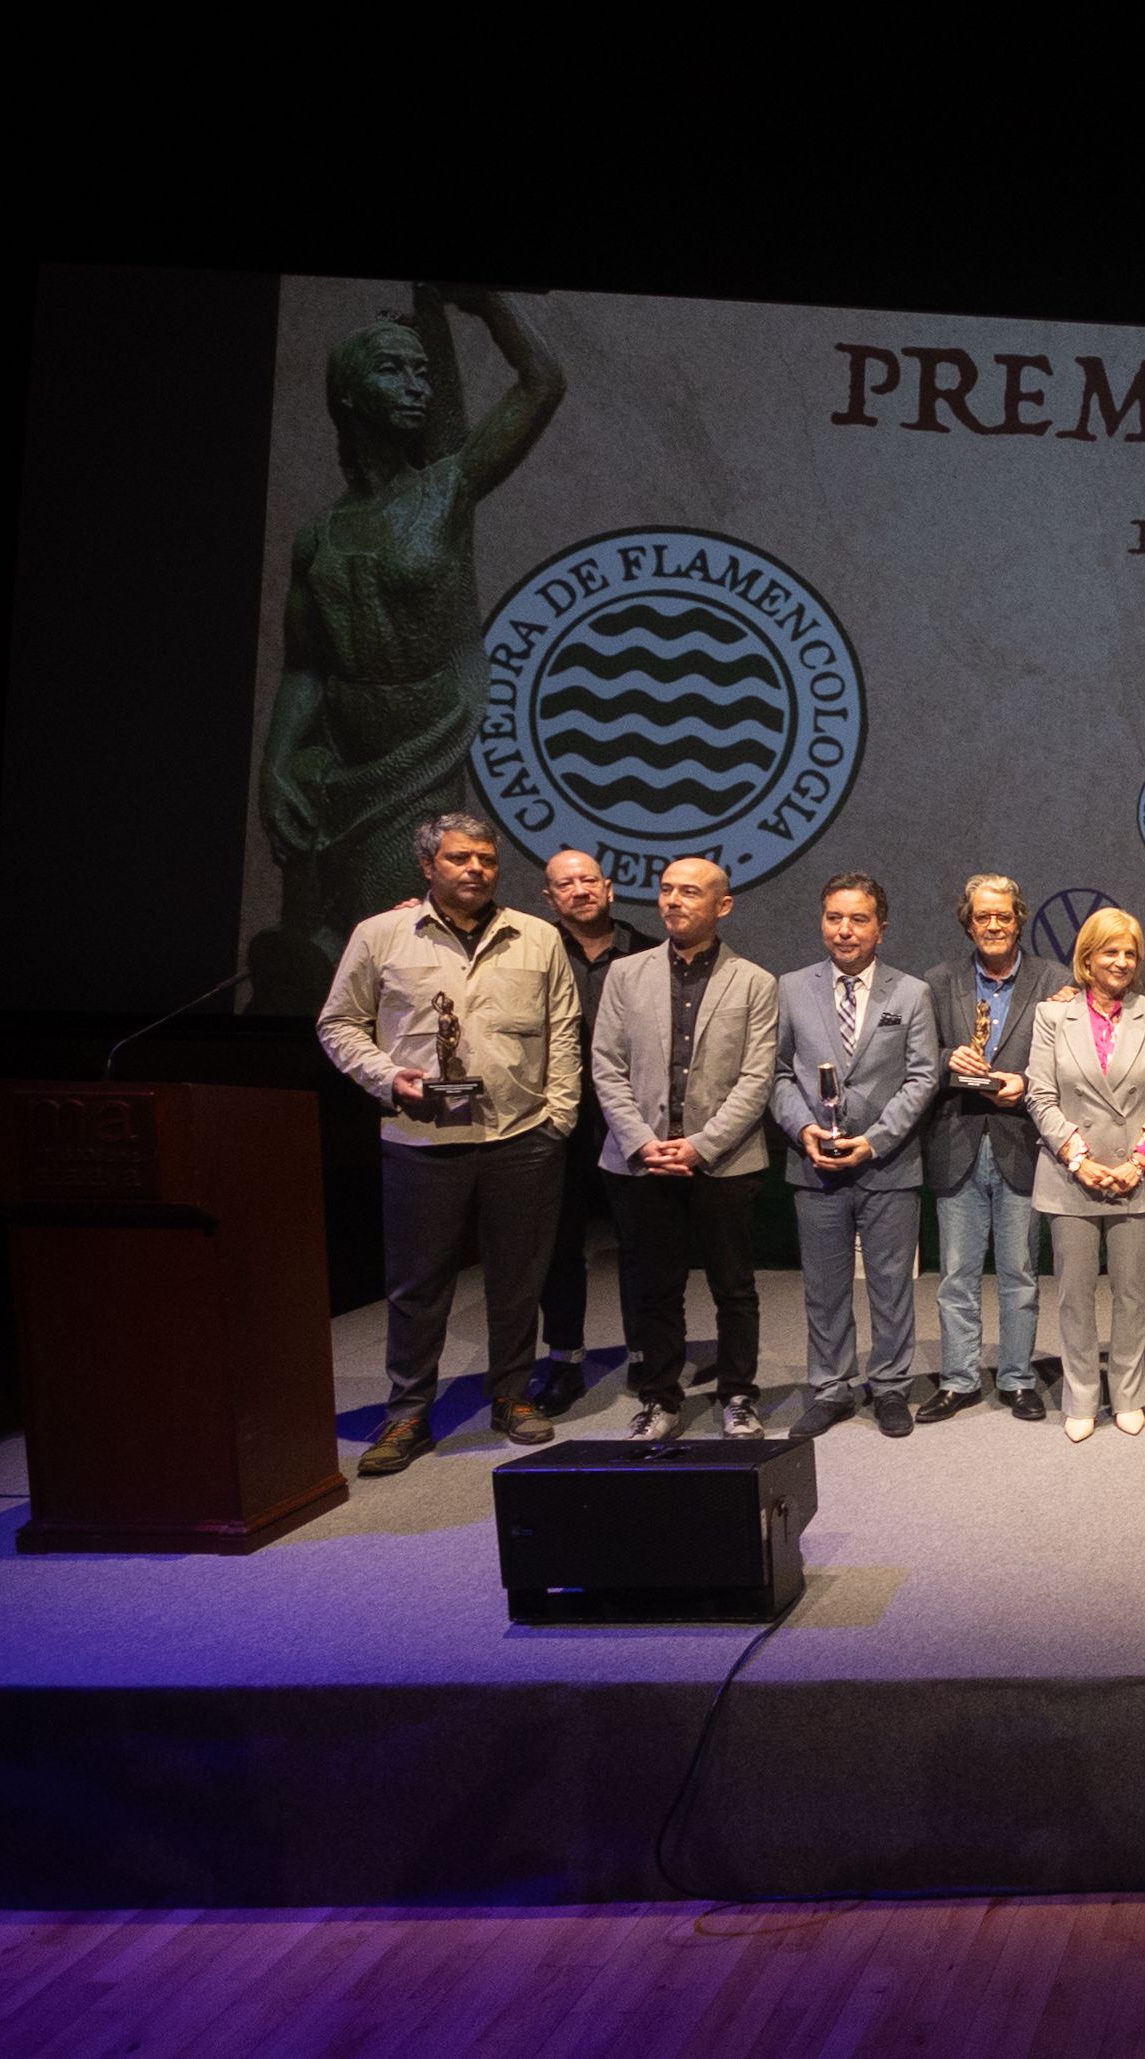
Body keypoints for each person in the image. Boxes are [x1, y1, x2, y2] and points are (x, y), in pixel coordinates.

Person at [251, 290, 563, 1015]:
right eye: (395, 372)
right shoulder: (321, 533)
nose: (417, 387)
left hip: (416, 747)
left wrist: (488, 303)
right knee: (309, 943)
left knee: (394, 933)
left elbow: (542, 383)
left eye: (424, 373)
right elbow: (305, 665)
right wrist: (274, 765)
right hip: (331, 757)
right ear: (350, 393)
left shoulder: (446, 488)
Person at [317, 811, 581, 1475]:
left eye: (486, 860)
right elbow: (339, 1023)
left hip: (520, 1136)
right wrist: (385, 1076)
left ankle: (512, 1394)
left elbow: (563, 1034)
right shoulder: (380, 935)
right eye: (461, 858)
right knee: (418, 1283)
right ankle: (407, 1411)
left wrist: (559, 1119)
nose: (476, 870)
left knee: (518, 1278)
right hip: (420, 1137)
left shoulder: (538, 936)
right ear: (428, 866)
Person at [590, 858, 779, 1439]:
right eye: (666, 891)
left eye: (689, 892)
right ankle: (659, 1397)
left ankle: (738, 1394)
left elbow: (757, 1079)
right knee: (655, 1289)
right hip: (640, 1162)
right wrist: (642, 1142)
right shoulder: (626, 974)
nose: (672, 901)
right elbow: (606, 1067)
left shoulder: (755, 981)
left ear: (722, 905)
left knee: (734, 1288)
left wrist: (700, 1146)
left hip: (722, 1163)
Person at [771, 873, 940, 1438]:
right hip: (815, 1163)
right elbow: (774, 1075)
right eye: (834, 918)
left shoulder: (911, 993)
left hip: (888, 1164)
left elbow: (922, 1077)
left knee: (892, 1284)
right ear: (822, 922)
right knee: (824, 1285)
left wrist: (875, 1140)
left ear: (881, 928)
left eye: (858, 919)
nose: (845, 931)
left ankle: (891, 1386)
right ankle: (831, 1387)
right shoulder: (791, 988)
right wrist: (803, 1130)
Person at [1025, 908, 1145, 1441]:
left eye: (1130, 953)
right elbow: (1040, 1094)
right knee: (1073, 1295)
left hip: (1137, 1176)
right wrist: (1078, 1157)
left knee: (1132, 1293)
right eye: (1110, 952)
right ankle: (1080, 1396)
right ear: (1087, 958)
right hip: (1072, 1175)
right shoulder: (1053, 1017)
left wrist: (1138, 1160)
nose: (1120, 962)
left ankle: (1129, 1392)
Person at [922, 875, 1073, 1423]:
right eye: (982, 917)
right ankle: (960, 1379)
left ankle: (1015, 1377)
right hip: (957, 1138)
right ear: (968, 922)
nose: (993, 925)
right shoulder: (937, 983)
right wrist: (946, 1061)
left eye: (1003, 917)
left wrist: (1028, 1086)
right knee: (957, 1274)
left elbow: (1069, 1062)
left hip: (1022, 1142)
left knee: (1020, 1271)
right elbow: (916, 1057)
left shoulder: (1056, 981)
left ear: (1019, 920)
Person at [528, 847, 654, 1416]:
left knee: (640, 1241)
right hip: (552, 1116)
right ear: (549, 898)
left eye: (588, 881)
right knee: (559, 1245)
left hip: (633, 1116)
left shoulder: (652, 951)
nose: (579, 890)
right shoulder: (529, 950)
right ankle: (565, 1359)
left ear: (609, 889)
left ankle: (646, 1352)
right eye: (565, 884)